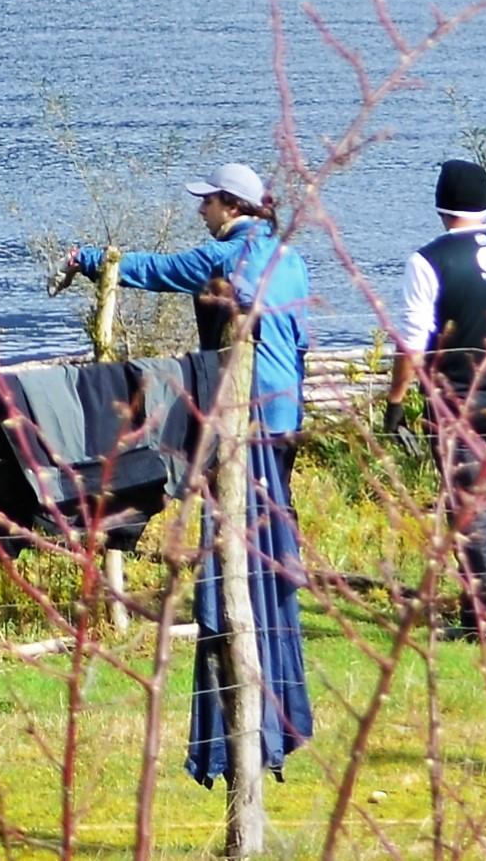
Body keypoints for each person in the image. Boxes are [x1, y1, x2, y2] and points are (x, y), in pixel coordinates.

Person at [63, 162, 319, 784]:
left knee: (235, 543)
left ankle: (241, 651)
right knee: (265, 535)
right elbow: (304, 341)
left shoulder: (222, 263)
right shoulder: (291, 258)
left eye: (207, 203)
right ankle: (270, 638)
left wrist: (91, 258)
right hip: (285, 416)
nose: (200, 212)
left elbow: (151, 270)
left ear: (231, 207)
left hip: (241, 420)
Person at [390, 158, 486, 642]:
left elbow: (412, 341)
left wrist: (395, 402)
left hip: (457, 399)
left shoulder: (427, 261)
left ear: (440, 205)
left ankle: (484, 621)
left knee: (471, 507)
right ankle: (481, 603)